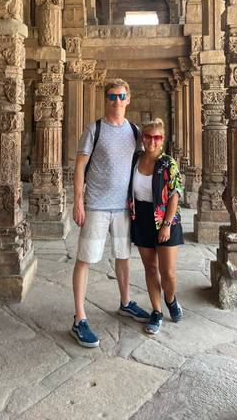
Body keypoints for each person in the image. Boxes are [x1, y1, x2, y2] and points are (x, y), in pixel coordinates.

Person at [71, 79, 149, 348]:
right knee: (85, 259)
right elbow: (80, 167)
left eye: (122, 96)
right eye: (113, 96)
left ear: (129, 99)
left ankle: (125, 302)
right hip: (96, 205)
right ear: (107, 99)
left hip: (123, 206)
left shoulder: (134, 131)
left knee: (123, 256)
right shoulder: (94, 129)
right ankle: (79, 317)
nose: (117, 101)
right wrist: (78, 201)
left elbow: (142, 164)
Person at [128, 117, 184, 335]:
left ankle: (170, 299)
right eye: (148, 137)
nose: (152, 141)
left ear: (163, 140)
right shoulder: (135, 160)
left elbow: (175, 194)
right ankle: (157, 311)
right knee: (150, 268)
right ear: (142, 138)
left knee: (167, 272)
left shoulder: (168, 163)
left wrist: (167, 225)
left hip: (165, 218)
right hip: (141, 217)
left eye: (157, 137)